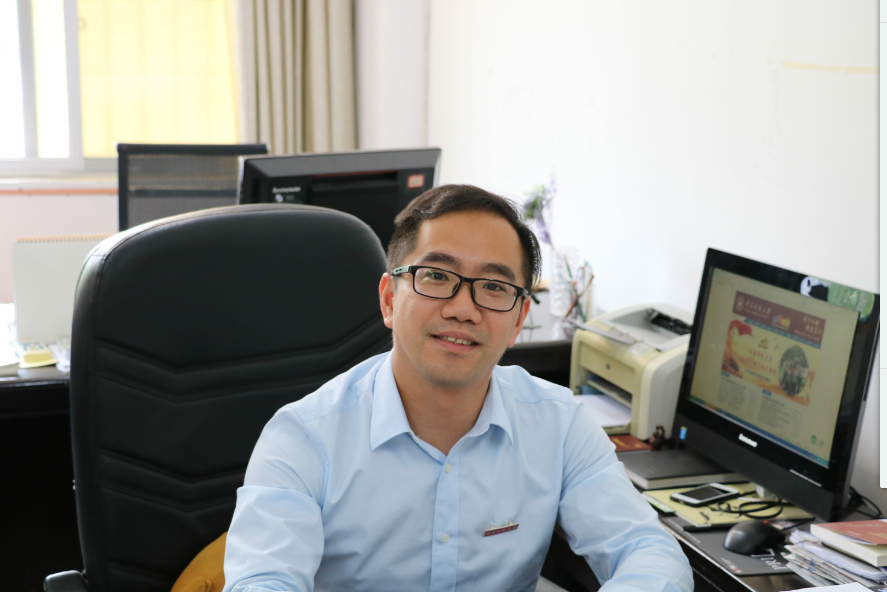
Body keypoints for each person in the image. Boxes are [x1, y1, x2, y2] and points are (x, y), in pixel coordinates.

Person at [222, 185, 693, 592]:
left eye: (494, 287)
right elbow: (261, 580)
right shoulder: (304, 437)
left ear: (519, 321)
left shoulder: (558, 423)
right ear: (389, 300)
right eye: (436, 276)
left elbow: (647, 550)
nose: (463, 309)